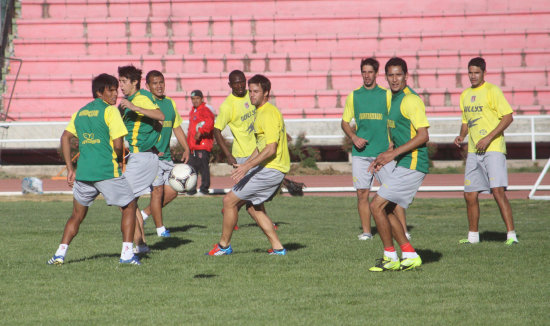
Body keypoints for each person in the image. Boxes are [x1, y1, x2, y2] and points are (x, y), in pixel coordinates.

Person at [47, 73, 141, 265]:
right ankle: (126, 254)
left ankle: (59, 254)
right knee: (129, 206)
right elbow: (117, 143)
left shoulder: (81, 112)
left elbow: (65, 137)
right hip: (106, 171)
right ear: (99, 93)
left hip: (84, 173)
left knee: (77, 215)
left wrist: (69, 168)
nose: (116, 94)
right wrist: (121, 160)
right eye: (111, 90)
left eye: (116, 90)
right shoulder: (110, 111)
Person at [207, 74, 289, 256]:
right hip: (270, 168)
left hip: (271, 169)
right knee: (252, 207)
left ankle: (223, 246)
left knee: (228, 201)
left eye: (256, 91)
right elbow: (261, 148)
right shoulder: (263, 111)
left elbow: (271, 149)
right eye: (250, 91)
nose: (251, 95)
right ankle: (278, 248)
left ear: (266, 93)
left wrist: (247, 166)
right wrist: (248, 166)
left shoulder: (267, 113)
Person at [368, 57, 430, 271]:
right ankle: (410, 254)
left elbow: (423, 136)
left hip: (413, 163)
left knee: (376, 206)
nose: (394, 79)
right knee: (388, 209)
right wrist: (384, 155)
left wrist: (392, 155)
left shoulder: (411, 100)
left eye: (398, 75)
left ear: (406, 75)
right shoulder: (392, 99)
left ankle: (390, 257)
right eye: (391, 75)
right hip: (403, 162)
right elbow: (400, 135)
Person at [341, 57, 409, 241]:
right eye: (364, 72)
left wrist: (393, 143)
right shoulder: (354, 96)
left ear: (376, 74)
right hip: (361, 155)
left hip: (383, 155)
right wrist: (354, 137)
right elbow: (344, 122)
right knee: (362, 193)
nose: (367, 75)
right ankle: (366, 232)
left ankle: (403, 231)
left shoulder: (387, 95)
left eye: (370, 72)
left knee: (392, 194)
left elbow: (395, 120)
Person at [454, 57, 518, 245]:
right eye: (470, 73)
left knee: (498, 191)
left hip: (494, 149)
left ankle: (511, 235)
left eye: (476, 72)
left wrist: (489, 138)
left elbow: (508, 117)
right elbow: (466, 121)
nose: (473, 76)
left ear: (483, 73)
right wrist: (461, 136)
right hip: (474, 151)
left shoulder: (492, 91)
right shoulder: (465, 94)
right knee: (470, 194)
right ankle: (473, 237)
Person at [134, 70, 190, 252]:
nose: (159, 86)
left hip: (166, 157)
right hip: (152, 156)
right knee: (157, 191)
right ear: (147, 86)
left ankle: (144, 214)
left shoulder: (169, 103)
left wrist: (187, 147)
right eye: (155, 83)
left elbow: (177, 127)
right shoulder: (146, 104)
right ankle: (160, 230)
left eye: (161, 82)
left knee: (174, 190)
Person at [117, 65, 165, 254]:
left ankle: (133, 247)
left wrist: (134, 107)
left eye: (123, 81)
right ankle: (141, 245)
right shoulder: (128, 101)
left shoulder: (141, 98)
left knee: (125, 202)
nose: (121, 85)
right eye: (119, 81)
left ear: (135, 82)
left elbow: (160, 116)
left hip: (143, 157)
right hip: (137, 156)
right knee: (129, 202)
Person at [213, 70, 263, 230]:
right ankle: (263, 222)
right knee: (250, 191)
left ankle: (230, 209)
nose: (240, 85)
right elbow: (216, 130)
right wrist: (228, 154)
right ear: (230, 85)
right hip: (242, 155)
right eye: (236, 82)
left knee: (254, 190)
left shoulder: (252, 95)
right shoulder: (228, 105)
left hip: (259, 151)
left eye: (242, 81)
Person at [186, 89, 215, 196]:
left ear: (202, 99)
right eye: (193, 99)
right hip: (193, 146)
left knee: (203, 168)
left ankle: (204, 189)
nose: (195, 101)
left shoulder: (205, 110)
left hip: (203, 145)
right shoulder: (193, 111)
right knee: (192, 169)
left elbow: (209, 123)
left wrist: (201, 132)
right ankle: (191, 190)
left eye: (197, 98)